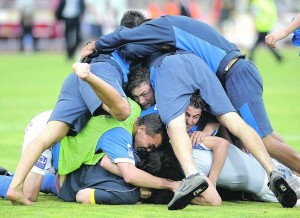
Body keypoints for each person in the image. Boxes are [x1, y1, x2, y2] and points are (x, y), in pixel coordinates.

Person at [80, 11, 300, 184]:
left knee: (264, 140)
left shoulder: (161, 27)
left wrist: (96, 45)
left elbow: (124, 37)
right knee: (256, 135)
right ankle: (289, 173)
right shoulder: (171, 32)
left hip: (234, 74)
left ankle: (290, 172)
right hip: (232, 72)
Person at [4, 63, 180, 205]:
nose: (147, 150)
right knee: (27, 193)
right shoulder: (119, 133)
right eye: (150, 145)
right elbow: (128, 173)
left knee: (44, 182)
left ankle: (10, 175)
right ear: (142, 129)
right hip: (48, 133)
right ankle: (12, 181)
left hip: (60, 135)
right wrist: (169, 185)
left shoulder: (133, 110)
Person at [138, 93, 300, 206]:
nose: (189, 121)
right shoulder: (188, 140)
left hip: (266, 177)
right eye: (187, 115)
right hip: (265, 171)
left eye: (195, 117)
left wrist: (212, 181)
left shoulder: (194, 142)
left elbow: (223, 141)